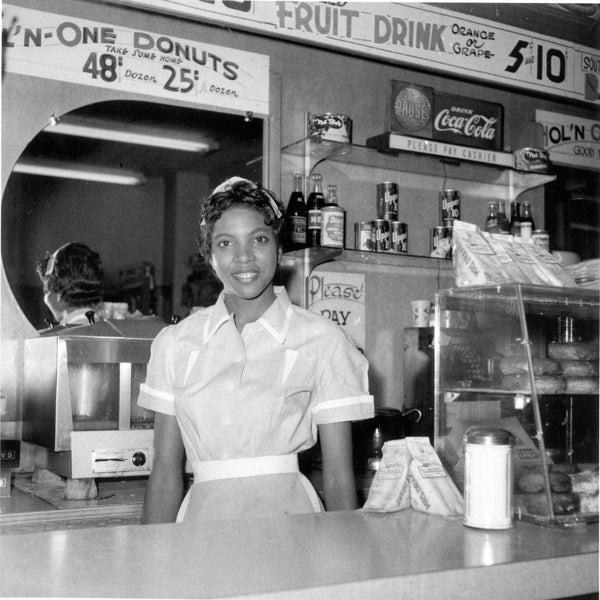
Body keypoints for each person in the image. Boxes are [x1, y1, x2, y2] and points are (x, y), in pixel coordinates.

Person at [139, 176, 373, 526]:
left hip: (293, 528)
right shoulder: (175, 344)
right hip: (202, 528)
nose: (244, 257)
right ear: (210, 257)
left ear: (279, 250)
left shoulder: (323, 340)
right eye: (225, 243)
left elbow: (339, 481)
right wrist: (150, 569)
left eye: (259, 239)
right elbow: (164, 477)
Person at [36, 241, 104, 328]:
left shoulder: (59, 337)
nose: (46, 298)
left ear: (58, 295)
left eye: (46, 290)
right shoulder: (107, 330)